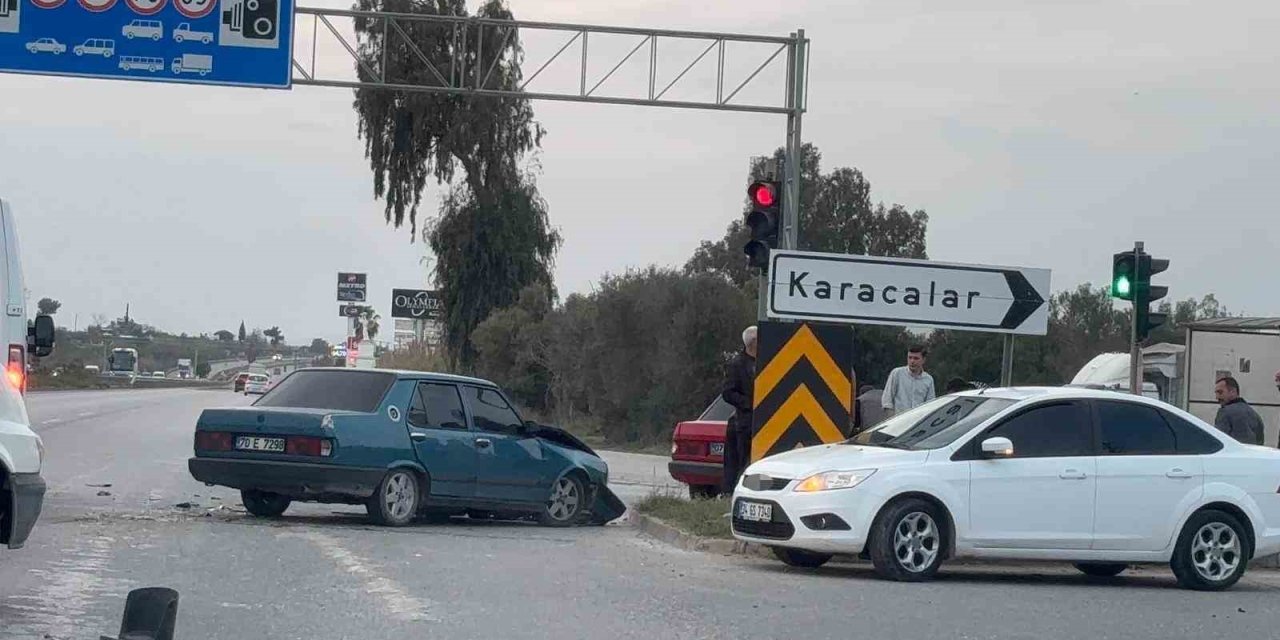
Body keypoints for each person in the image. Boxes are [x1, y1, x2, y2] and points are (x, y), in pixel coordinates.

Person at [720, 326, 757, 494]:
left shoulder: (767, 361)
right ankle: (738, 493)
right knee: (742, 462)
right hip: (744, 423)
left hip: (764, 421)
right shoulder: (737, 364)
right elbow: (728, 393)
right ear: (753, 342)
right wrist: (749, 404)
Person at [881, 345, 936, 416]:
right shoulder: (897, 373)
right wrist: (894, 419)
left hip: (918, 420)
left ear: (923, 360)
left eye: (916, 358)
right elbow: (887, 400)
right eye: (910, 357)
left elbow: (930, 405)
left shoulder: (928, 380)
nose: (912, 361)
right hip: (898, 419)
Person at [1213, 376, 1265, 446]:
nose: (1217, 397)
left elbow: (1218, 441)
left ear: (1233, 392)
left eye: (1220, 392)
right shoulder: (1255, 414)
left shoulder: (1224, 412)